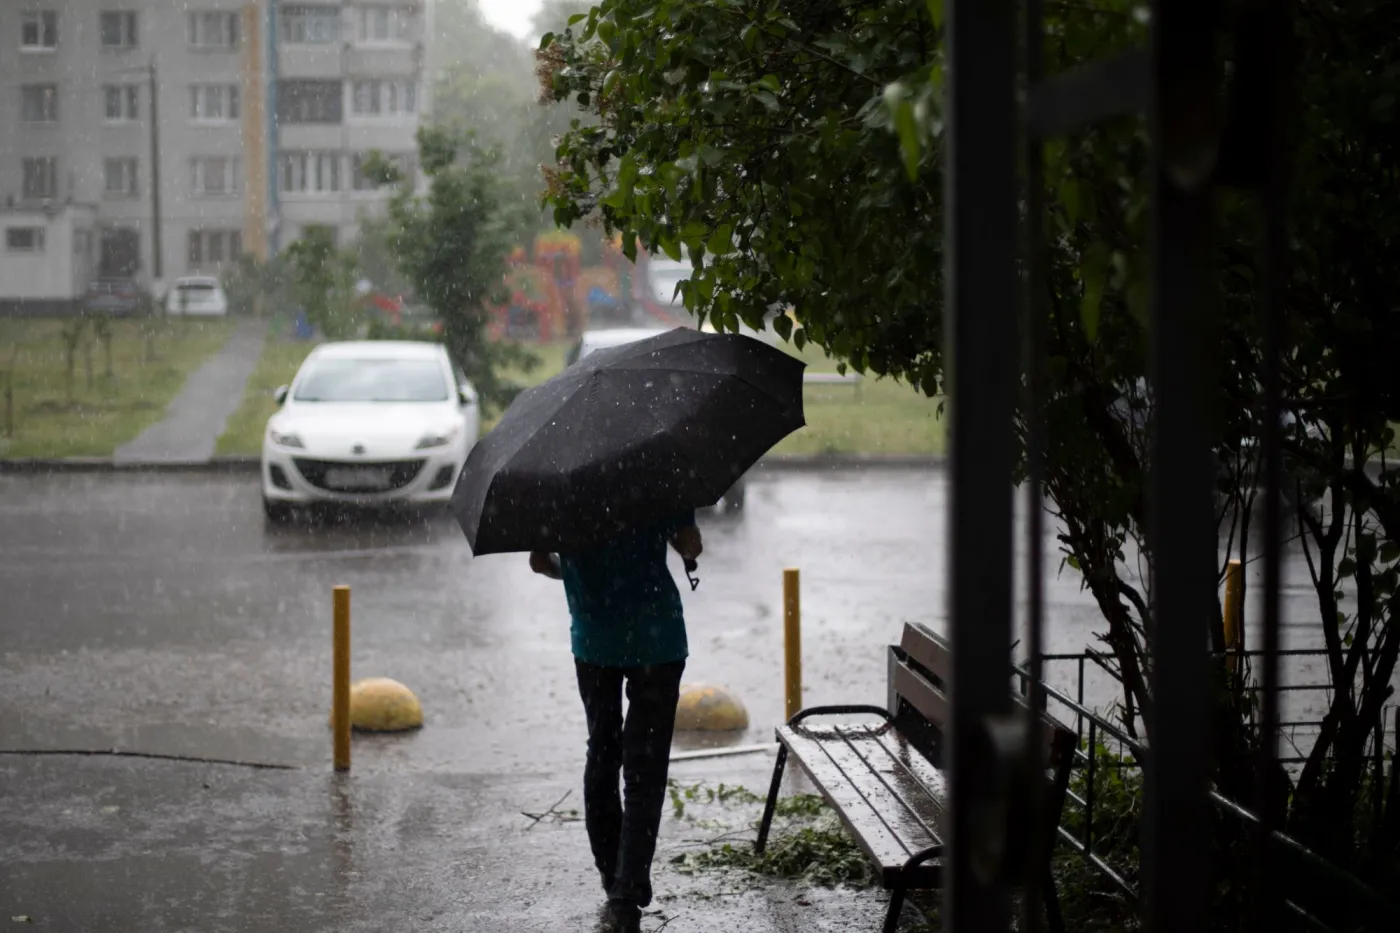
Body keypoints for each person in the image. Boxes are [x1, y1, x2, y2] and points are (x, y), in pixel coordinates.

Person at [530, 512, 703, 933]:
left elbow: (540, 563)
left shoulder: (557, 481)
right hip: (656, 639)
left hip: (594, 639)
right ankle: (628, 890)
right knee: (645, 769)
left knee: (603, 752)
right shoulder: (657, 470)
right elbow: (690, 544)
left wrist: (572, 567)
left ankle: (614, 875)